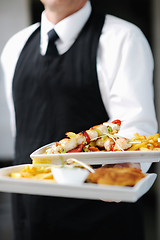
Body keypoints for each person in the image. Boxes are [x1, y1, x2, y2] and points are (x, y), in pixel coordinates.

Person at [1, 0, 157, 239]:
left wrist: (128, 167)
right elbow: (20, 129)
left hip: (101, 216)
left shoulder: (122, 37)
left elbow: (135, 124)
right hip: (30, 216)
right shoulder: (15, 45)